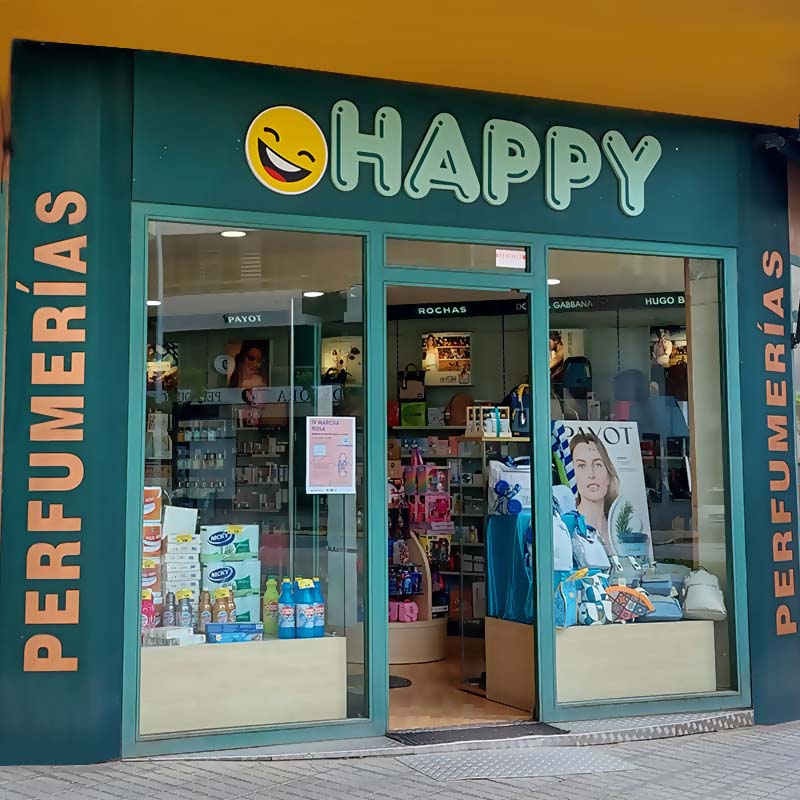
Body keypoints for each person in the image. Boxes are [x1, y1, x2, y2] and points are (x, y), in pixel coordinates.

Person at [569, 431, 620, 554]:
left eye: (597, 465)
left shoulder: (619, 526)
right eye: (581, 466)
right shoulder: (569, 528)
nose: (591, 474)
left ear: (608, 473)